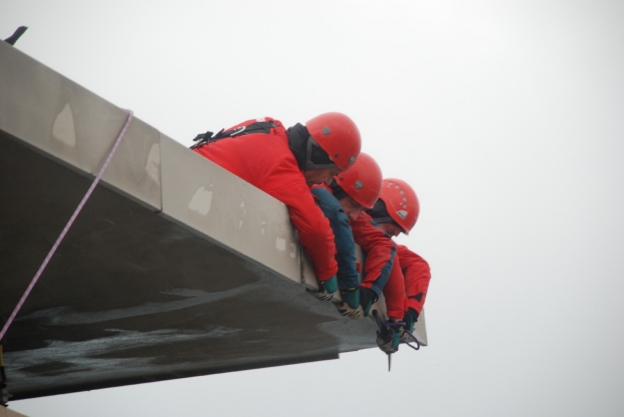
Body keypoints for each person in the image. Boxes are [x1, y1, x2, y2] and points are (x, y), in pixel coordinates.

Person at [191, 113, 361, 292]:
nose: (326, 182)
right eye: (331, 173)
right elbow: (316, 230)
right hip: (195, 195)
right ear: (317, 158)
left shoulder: (270, 128)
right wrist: (329, 276)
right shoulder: (283, 169)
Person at [309, 153, 388, 308]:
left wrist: (370, 292)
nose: (354, 216)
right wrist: (350, 284)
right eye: (353, 205)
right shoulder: (319, 192)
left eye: (362, 210)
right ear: (336, 187)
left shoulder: (344, 207)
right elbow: (334, 214)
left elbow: (385, 244)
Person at [367, 178, 431, 353]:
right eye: (389, 231)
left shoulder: (385, 245)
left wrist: (409, 314)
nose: (391, 238)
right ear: (376, 209)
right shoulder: (344, 216)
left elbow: (418, 266)